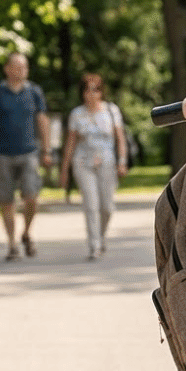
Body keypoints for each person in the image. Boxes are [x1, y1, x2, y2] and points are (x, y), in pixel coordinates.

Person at [0, 53, 50, 261]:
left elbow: (43, 121)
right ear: (7, 69)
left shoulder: (34, 92)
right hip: (1, 154)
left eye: (24, 67)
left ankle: (26, 232)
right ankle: (12, 244)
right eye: (17, 66)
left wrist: (46, 150)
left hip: (29, 153)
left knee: (31, 197)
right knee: (6, 200)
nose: (21, 70)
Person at [58, 73, 128, 260]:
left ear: (101, 91)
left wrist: (122, 161)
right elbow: (70, 144)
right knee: (91, 204)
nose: (91, 93)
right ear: (82, 92)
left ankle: (101, 235)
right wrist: (64, 170)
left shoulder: (111, 111)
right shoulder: (77, 114)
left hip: (106, 162)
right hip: (83, 163)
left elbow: (120, 139)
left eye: (96, 89)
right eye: (87, 89)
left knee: (107, 207)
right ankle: (94, 245)